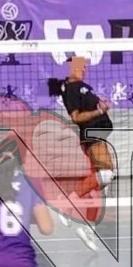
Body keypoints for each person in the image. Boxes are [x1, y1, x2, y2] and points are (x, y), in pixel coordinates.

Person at [49, 56, 113, 252]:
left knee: (100, 186)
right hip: (91, 134)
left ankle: (88, 227)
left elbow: (92, 107)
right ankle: (66, 203)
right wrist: (99, 112)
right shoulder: (70, 89)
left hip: (99, 133)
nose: (84, 69)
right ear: (71, 66)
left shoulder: (83, 86)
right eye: (81, 66)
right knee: (106, 175)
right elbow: (76, 117)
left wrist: (100, 105)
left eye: (85, 66)